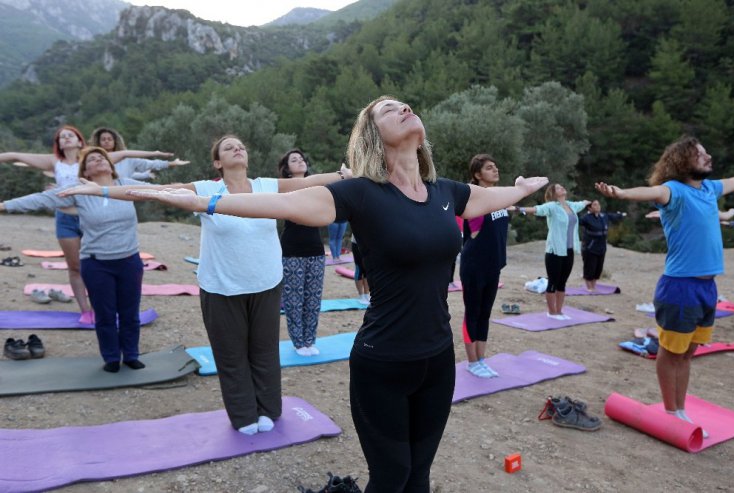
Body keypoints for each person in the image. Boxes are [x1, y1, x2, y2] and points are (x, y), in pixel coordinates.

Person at [122, 97, 547, 492]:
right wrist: (208, 204)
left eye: (403, 104)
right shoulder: (360, 193)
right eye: (386, 109)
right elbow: (280, 205)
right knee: (392, 474)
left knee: (419, 476)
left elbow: (493, 196)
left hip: (437, 358)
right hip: (383, 361)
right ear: (371, 135)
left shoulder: (446, 193)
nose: (402, 106)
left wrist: (523, 189)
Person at [60, 135, 351, 436]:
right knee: (231, 354)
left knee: (264, 352)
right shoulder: (205, 190)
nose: (238, 148)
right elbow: (152, 191)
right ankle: (243, 415)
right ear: (217, 162)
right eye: (228, 147)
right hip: (221, 287)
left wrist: (343, 175)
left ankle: (269, 409)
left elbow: (310, 183)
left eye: (241, 145)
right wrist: (101, 189)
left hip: (265, 284)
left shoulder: (267, 185)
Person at [596, 135, 734, 438]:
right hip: (680, 287)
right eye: (701, 154)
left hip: (707, 288)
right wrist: (621, 193)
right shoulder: (674, 191)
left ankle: (680, 408)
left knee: (687, 353)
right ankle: (670, 410)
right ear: (683, 161)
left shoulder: (710, 190)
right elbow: (652, 191)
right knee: (670, 351)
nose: (708, 156)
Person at [0, 125, 175, 323]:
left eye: (70, 135)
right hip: (67, 216)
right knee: (75, 267)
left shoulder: (96, 159)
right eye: (61, 137)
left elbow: (128, 155)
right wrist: (5, 205)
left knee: (102, 266)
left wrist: (158, 156)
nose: (65, 139)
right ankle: (86, 311)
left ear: (80, 140)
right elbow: (18, 160)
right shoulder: (54, 161)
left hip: (96, 216)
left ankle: (106, 308)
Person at [1, 147, 148, 372]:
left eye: (102, 157)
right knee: (105, 314)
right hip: (97, 263)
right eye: (92, 160)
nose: (98, 160)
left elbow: (163, 191)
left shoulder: (126, 185)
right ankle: (111, 358)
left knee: (130, 313)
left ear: (111, 166)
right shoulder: (78, 191)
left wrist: (201, 196)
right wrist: (4, 206)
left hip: (129, 261)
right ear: (86, 172)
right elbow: (41, 199)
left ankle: (130, 355)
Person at [460, 154, 510, 378]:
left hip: (493, 265)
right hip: (474, 265)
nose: (495, 170)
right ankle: (472, 362)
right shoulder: (475, 198)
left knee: (485, 313)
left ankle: (481, 359)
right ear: (478, 175)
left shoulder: (499, 197)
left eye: (495, 166)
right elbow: (469, 231)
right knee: (473, 312)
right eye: (490, 168)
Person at [277, 148, 325, 356]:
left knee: (313, 298)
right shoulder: (285, 189)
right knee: (294, 299)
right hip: (292, 250)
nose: (300, 162)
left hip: (315, 248)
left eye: (301, 159)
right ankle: (298, 342)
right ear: (287, 169)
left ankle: (309, 340)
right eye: (294, 160)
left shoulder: (317, 186)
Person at [519, 184, 590, 320]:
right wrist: (518, 208)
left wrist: (588, 202)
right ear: (553, 193)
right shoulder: (551, 206)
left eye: (562, 186)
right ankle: (551, 312)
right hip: (554, 251)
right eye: (558, 188)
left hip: (568, 250)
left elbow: (581, 204)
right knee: (553, 281)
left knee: (562, 282)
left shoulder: (571, 206)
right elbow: (536, 209)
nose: (562, 188)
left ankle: (559, 311)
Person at [89, 127, 189, 180]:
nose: (106, 141)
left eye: (109, 139)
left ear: (115, 141)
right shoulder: (92, 160)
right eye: (103, 139)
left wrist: (172, 163)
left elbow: (150, 164)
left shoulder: (128, 158)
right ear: (98, 142)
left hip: (121, 197)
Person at [580, 200, 626, 291]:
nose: (598, 206)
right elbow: (576, 220)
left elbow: (614, 216)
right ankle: (589, 288)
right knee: (590, 268)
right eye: (595, 205)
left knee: (598, 269)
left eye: (598, 204)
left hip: (601, 247)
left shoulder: (603, 216)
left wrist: (622, 215)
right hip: (590, 248)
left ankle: (593, 286)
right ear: (590, 208)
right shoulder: (586, 218)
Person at [350, 233, 370, 304]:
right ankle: (361, 295)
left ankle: (366, 294)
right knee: (359, 268)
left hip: (368, 243)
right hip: (357, 243)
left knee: (367, 269)